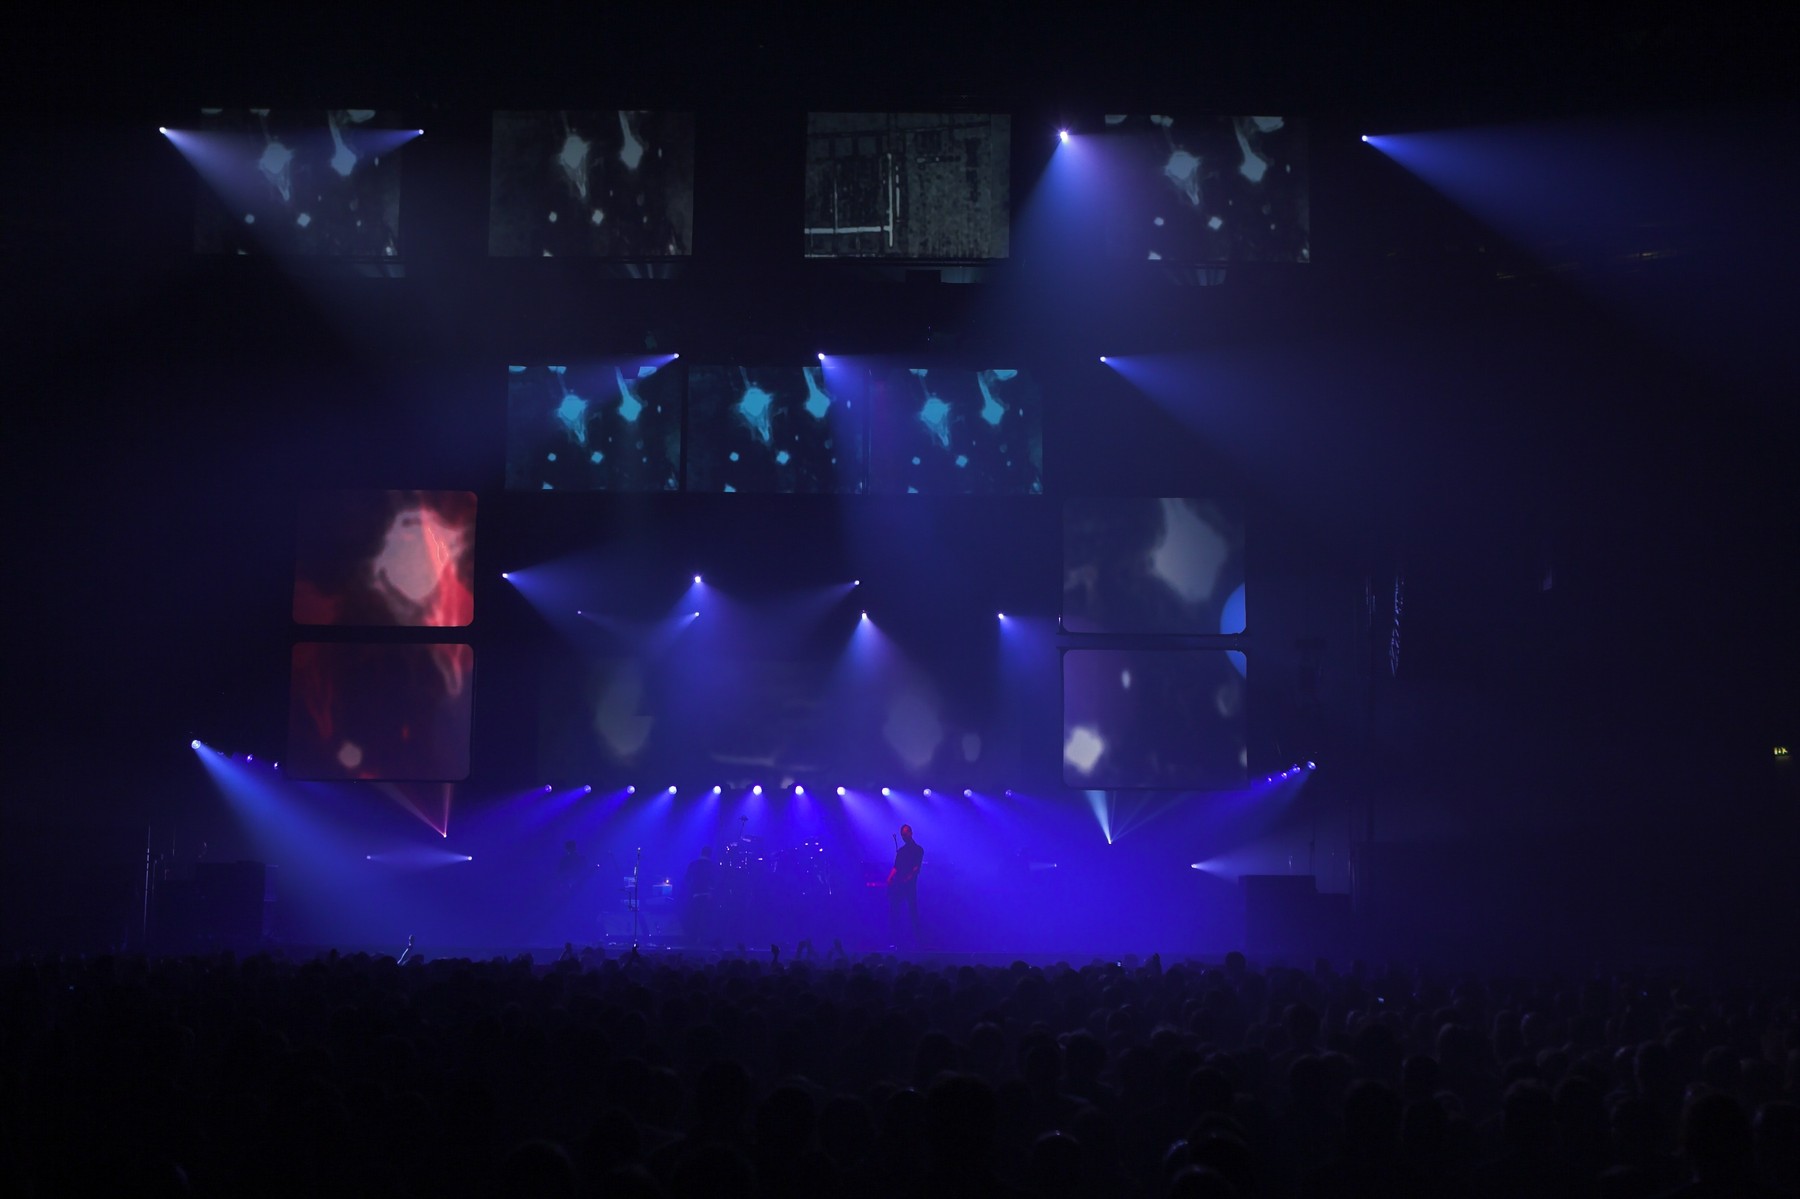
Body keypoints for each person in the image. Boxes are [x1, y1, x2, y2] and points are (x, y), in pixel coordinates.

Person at [887, 825, 923, 948]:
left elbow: (916, 868)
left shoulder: (918, 850)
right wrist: (889, 878)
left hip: (910, 886)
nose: (904, 836)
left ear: (911, 833)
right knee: (895, 911)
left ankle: (918, 941)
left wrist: (908, 878)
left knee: (913, 912)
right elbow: (896, 867)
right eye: (902, 834)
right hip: (900, 885)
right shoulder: (901, 851)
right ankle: (896, 940)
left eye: (906, 833)